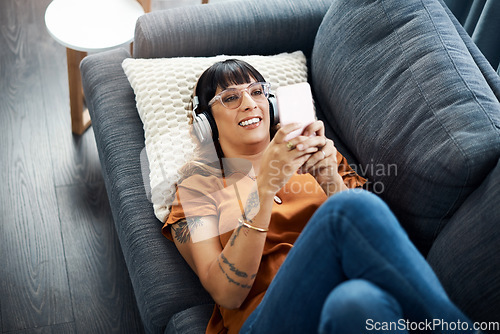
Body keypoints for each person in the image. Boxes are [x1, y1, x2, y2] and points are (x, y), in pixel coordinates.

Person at [162, 59, 477, 334]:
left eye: (257, 91)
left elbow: (382, 245)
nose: (249, 103)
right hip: (263, 321)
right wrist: (265, 189)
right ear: (205, 123)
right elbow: (225, 293)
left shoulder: (316, 156)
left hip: (339, 297)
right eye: (230, 97)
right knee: (345, 211)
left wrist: (330, 180)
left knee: (356, 303)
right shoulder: (196, 187)